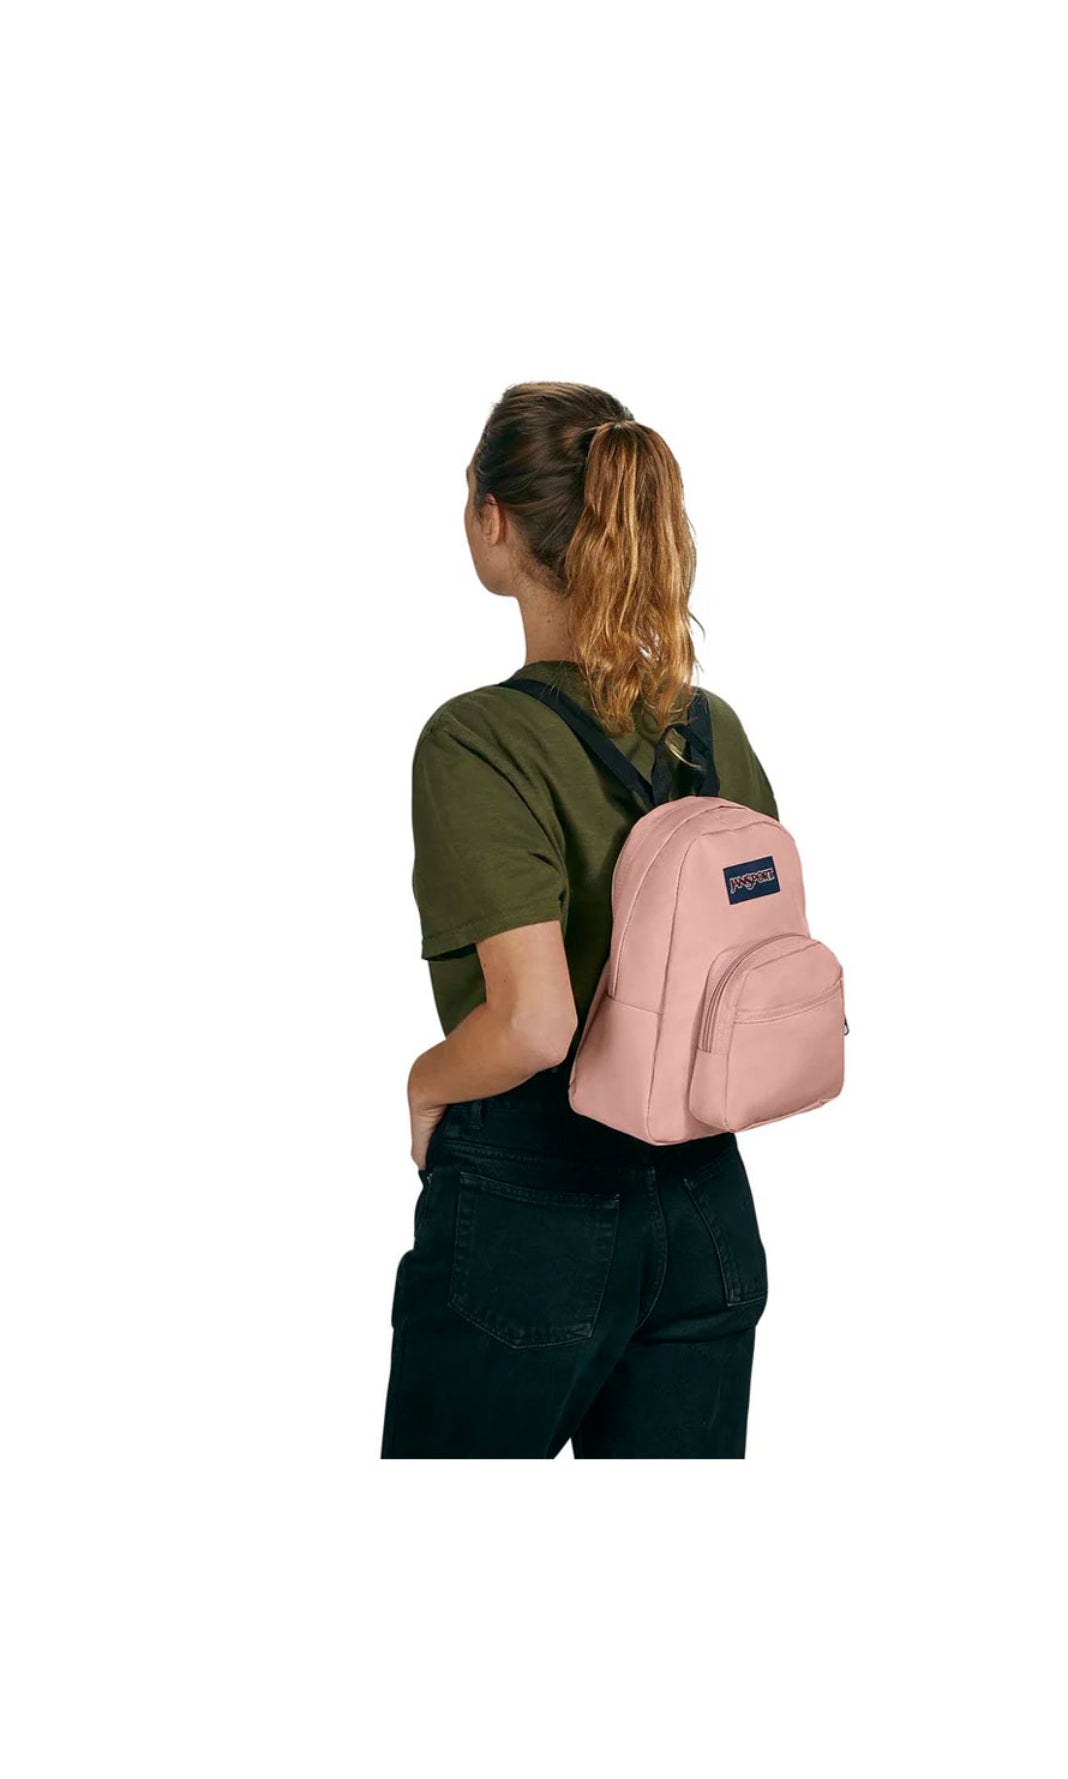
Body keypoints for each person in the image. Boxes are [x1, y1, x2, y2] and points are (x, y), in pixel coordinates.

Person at [381, 382, 780, 1459]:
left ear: (495, 520)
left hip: (533, 1210)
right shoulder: (712, 730)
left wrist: (424, 1083)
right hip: (708, 1210)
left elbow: (534, 1024)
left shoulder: (479, 740)